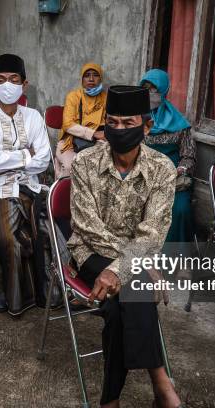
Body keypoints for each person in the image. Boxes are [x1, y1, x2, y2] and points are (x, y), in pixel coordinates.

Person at [67, 85, 181, 407]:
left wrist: (122, 267)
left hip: (134, 254)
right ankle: (160, 381)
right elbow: (87, 227)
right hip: (88, 252)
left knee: (118, 308)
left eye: (128, 123)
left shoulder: (162, 168)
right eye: (112, 122)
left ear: (147, 126)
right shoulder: (84, 163)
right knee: (138, 285)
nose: (118, 130)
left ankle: (110, 399)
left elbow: (153, 232)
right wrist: (139, 263)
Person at [0, 53, 51, 316]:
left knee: (46, 229)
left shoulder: (34, 116)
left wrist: (4, 164)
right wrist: (27, 154)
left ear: (24, 84)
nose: (7, 85)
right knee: (7, 237)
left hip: (28, 186)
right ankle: (20, 293)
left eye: (13, 79)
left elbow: (45, 161)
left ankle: (35, 289)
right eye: (1, 80)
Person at [140, 69, 196, 245]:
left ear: (163, 91)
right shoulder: (134, 119)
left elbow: (189, 156)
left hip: (173, 179)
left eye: (153, 89)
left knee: (180, 210)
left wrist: (181, 169)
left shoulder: (179, 124)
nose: (149, 94)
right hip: (142, 177)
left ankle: (179, 261)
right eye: (145, 89)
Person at [54, 62, 107, 178]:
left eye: (95, 75)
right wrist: (93, 133)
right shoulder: (73, 96)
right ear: (82, 79)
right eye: (87, 75)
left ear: (100, 78)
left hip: (98, 143)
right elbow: (67, 124)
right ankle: (61, 193)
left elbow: (111, 122)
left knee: (105, 165)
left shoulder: (105, 98)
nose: (91, 79)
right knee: (70, 166)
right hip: (71, 143)